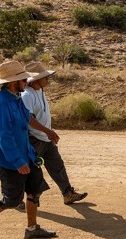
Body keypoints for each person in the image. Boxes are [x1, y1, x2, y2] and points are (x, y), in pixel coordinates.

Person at [0, 60, 57, 239]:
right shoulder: (0, 104)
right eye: (23, 79)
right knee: (12, 200)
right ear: (13, 82)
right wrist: (18, 161)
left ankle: (32, 229)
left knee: (34, 191)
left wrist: (48, 132)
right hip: (11, 161)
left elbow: (28, 119)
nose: (27, 81)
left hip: (27, 155)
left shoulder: (16, 98)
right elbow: (4, 137)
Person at [20, 61, 87, 205]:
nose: (47, 79)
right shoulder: (27, 95)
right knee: (27, 169)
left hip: (44, 137)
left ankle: (67, 194)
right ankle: (16, 198)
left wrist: (49, 132)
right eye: (45, 77)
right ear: (36, 80)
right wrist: (48, 131)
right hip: (33, 139)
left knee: (57, 165)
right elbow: (29, 119)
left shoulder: (39, 91)